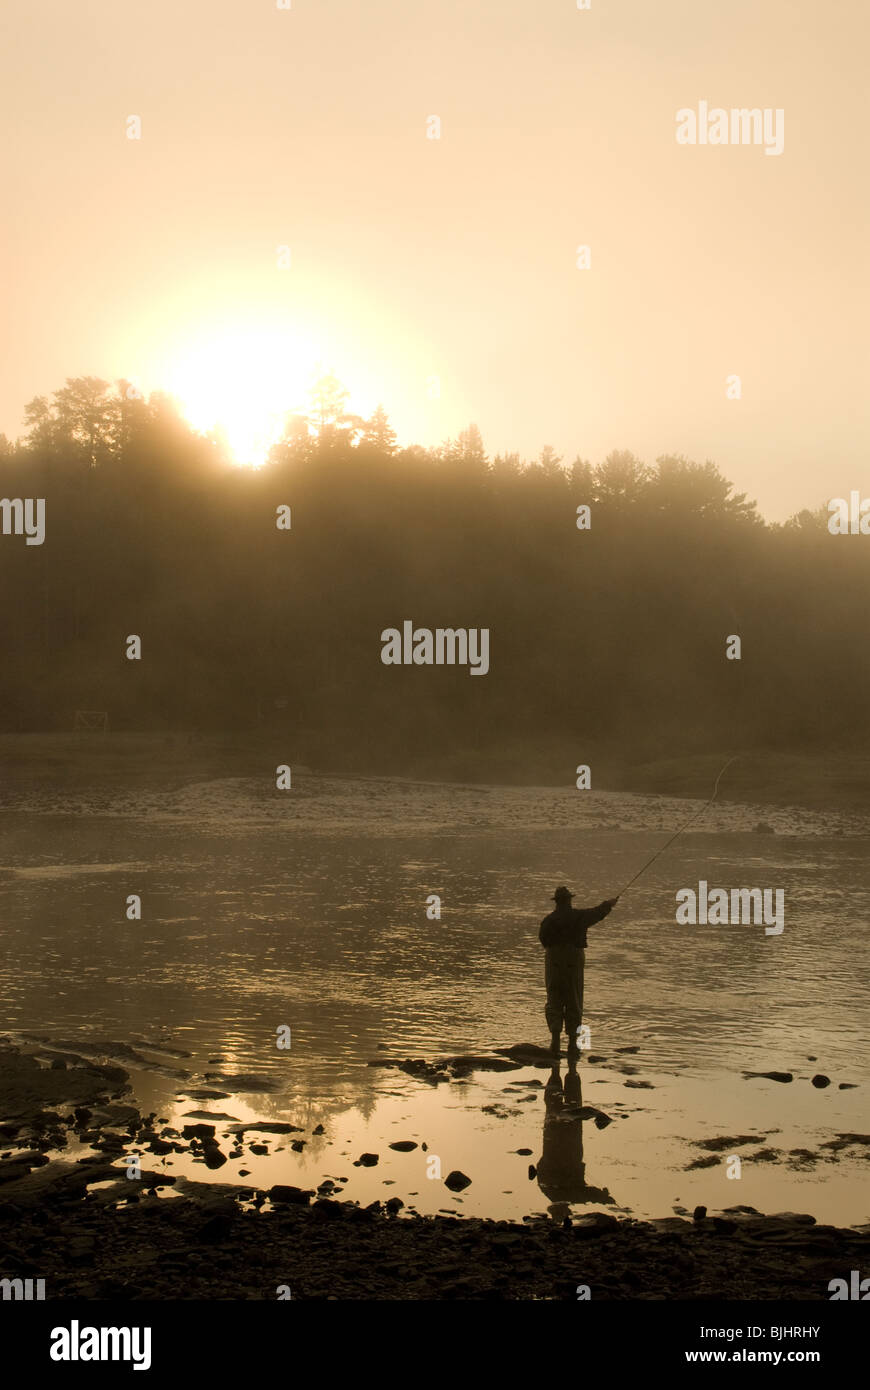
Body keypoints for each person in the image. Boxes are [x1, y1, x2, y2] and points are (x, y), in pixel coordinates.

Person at [539, 885, 619, 1056]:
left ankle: (555, 1040)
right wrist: (609, 904)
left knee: (554, 996)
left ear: (556, 902)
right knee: (574, 997)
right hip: (574, 958)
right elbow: (597, 913)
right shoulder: (579, 917)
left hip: (553, 958)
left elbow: (543, 940)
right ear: (569, 900)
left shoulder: (549, 920)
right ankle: (573, 1044)